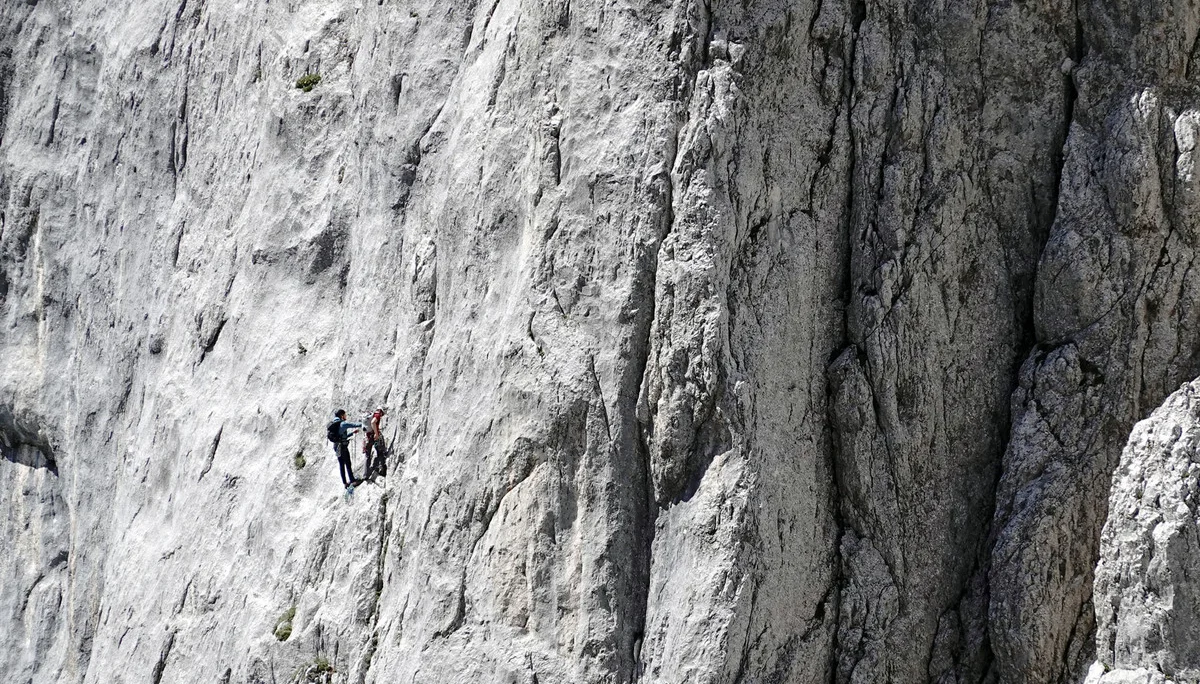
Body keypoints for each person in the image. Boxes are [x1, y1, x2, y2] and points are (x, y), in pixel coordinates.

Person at [329, 409, 363, 489]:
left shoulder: (334, 424)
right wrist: (365, 423)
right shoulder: (343, 424)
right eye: (345, 415)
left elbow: (340, 437)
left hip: (336, 447)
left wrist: (352, 433)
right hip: (343, 447)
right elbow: (354, 424)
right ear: (342, 415)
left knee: (341, 465)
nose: (346, 416)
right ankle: (353, 481)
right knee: (348, 464)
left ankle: (345, 483)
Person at [362, 406, 387, 478]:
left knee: (367, 455)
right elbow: (373, 422)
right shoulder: (377, 415)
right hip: (374, 438)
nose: (382, 415)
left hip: (367, 438)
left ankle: (365, 475)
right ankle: (381, 470)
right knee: (380, 452)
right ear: (381, 411)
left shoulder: (371, 415)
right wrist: (376, 433)